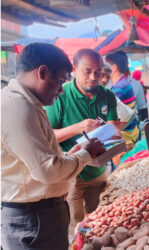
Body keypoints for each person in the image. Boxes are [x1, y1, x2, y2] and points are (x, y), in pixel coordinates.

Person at [1, 43, 105, 249]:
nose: (61, 90)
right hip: (33, 218)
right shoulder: (17, 107)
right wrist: (85, 154)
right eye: (60, 81)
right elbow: (46, 171)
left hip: (41, 214)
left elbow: (37, 160)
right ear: (42, 72)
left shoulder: (30, 103)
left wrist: (71, 154)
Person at [45, 48, 121, 230]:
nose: (93, 77)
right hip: (71, 175)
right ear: (74, 69)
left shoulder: (107, 95)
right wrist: (77, 128)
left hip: (98, 172)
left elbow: (114, 130)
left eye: (98, 72)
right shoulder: (60, 95)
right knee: (76, 227)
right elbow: (48, 135)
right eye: (87, 71)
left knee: (101, 223)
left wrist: (113, 135)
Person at [105, 52, 140, 150]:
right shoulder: (123, 83)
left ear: (114, 68)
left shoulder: (119, 88)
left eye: (105, 67)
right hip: (130, 135)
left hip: (125, 139)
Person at [113, 51, 149, 122]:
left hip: (133, 128)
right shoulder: (108, 85)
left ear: (127, 64)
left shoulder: (136, 85)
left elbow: (143, 109)